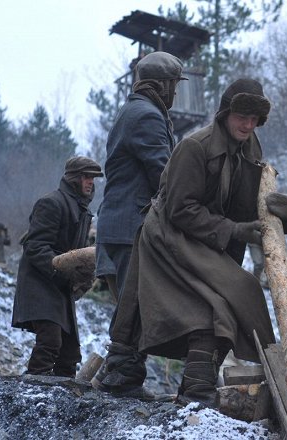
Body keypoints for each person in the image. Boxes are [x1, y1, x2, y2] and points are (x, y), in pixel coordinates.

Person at [92, 79, 287, 405]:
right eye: (241, 116)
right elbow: (179, 209)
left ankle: (185, 389)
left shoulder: (249, 148)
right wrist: (233, 230)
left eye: (254, 118)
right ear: (225, 114)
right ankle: (185, 390)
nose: (247, 124)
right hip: (169, 238)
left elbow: (251, 204)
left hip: (204, 239)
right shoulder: (195, 146)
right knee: (215, 305)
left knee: (217, 307)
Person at [95, 51, 184, 301]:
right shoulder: (147, 116)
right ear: (162, 85)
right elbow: (164, 176)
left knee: (132, 318)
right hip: (130, 232)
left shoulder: (133, 110)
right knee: (135, 320)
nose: (176, 92)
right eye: (174, 84)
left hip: (120, 228)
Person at [12, 156, 103, 377]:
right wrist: (61, 270)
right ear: (74, 179)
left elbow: (79, 255)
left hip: (61, 288)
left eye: (93, 178)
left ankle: (64, 401)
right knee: (50, 341)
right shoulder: (51, 203)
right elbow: (34, 246)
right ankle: (34, 390)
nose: (90, 182)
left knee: (69, 354)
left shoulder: (83, 212)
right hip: (40, 283)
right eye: (85, 176)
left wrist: (81, 278)